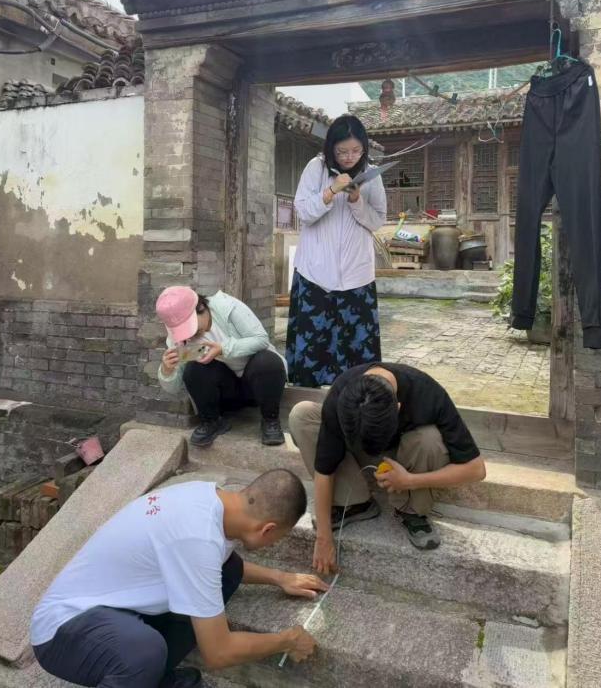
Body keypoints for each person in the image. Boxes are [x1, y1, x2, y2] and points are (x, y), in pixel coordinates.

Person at [31, 469, 327, 688]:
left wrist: (279, 577)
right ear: (267, 529)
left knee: (229, 571)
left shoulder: (208, 499)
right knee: (143, 652)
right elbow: (218, 653)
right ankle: (141, 673)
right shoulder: (197, 538)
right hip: (63, 629)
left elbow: (216, 563)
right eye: (276, 539)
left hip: (111, 609)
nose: (272, 544)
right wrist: (286, 641)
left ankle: (151, 679)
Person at [288, 362, 486, 572]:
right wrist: (323, 536)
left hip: (405, 462)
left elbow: (476, 469)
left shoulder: (427, 393)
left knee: (430, 439)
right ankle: (354, 504)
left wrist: (410, 481)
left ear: (398, 407)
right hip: (359, 457)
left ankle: (410, 510)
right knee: (302, 414)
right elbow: (324, 468)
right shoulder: (343, 394)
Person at [286, 114, 387, 388]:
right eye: (342, 151)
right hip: (315, 275)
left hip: (357, 277)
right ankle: (307, 401)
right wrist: (330, 191)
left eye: (356, 150)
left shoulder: (371, 176)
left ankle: (357, 403)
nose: (349, 157)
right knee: (313, 351)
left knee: (358, 358)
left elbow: (377, 221)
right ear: (331, 147)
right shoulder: (316, 168)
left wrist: (355, 200)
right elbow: (303, 212)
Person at [156, 286, 286, 448]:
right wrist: (167, 371)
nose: (189, 335)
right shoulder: (178, 339)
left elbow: (261, 339)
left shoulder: (227, 308)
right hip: (226, 394)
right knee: (193, 368)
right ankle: (211, 421)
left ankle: (270, 420)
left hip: (257, 386)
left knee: (267, 361)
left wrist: (223, 349)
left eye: (190, 327)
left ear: (201, 307)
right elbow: (174, 388)